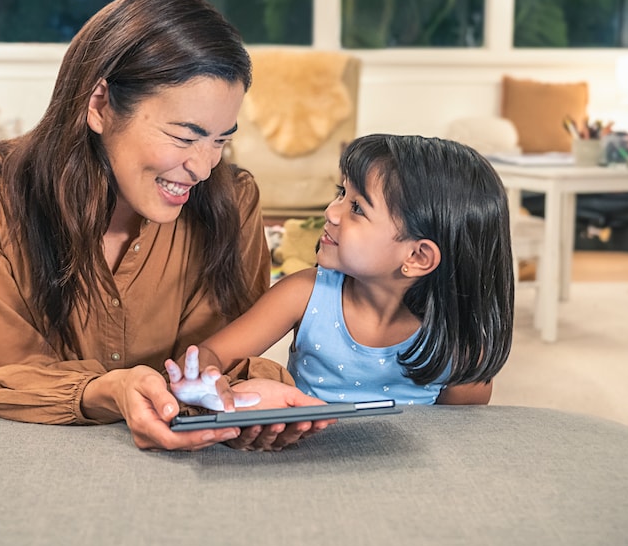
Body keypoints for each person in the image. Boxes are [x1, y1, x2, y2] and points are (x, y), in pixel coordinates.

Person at [0, 0, 329, 451]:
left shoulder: (232, 200)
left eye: (220, 140)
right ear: (99, 105)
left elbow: (222, 359)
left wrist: (247, 398)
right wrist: (112, 389)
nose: (204, 165)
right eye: (184, 135)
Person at [167, 133, 514, 410]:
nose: (331, 212)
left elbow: (464, 438)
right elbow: (208, 356)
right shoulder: (304, 293)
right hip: (309, 458)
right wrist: (202, 380)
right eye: (340, 193)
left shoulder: (462, 345)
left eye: (358, 208)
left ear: (418, 256)